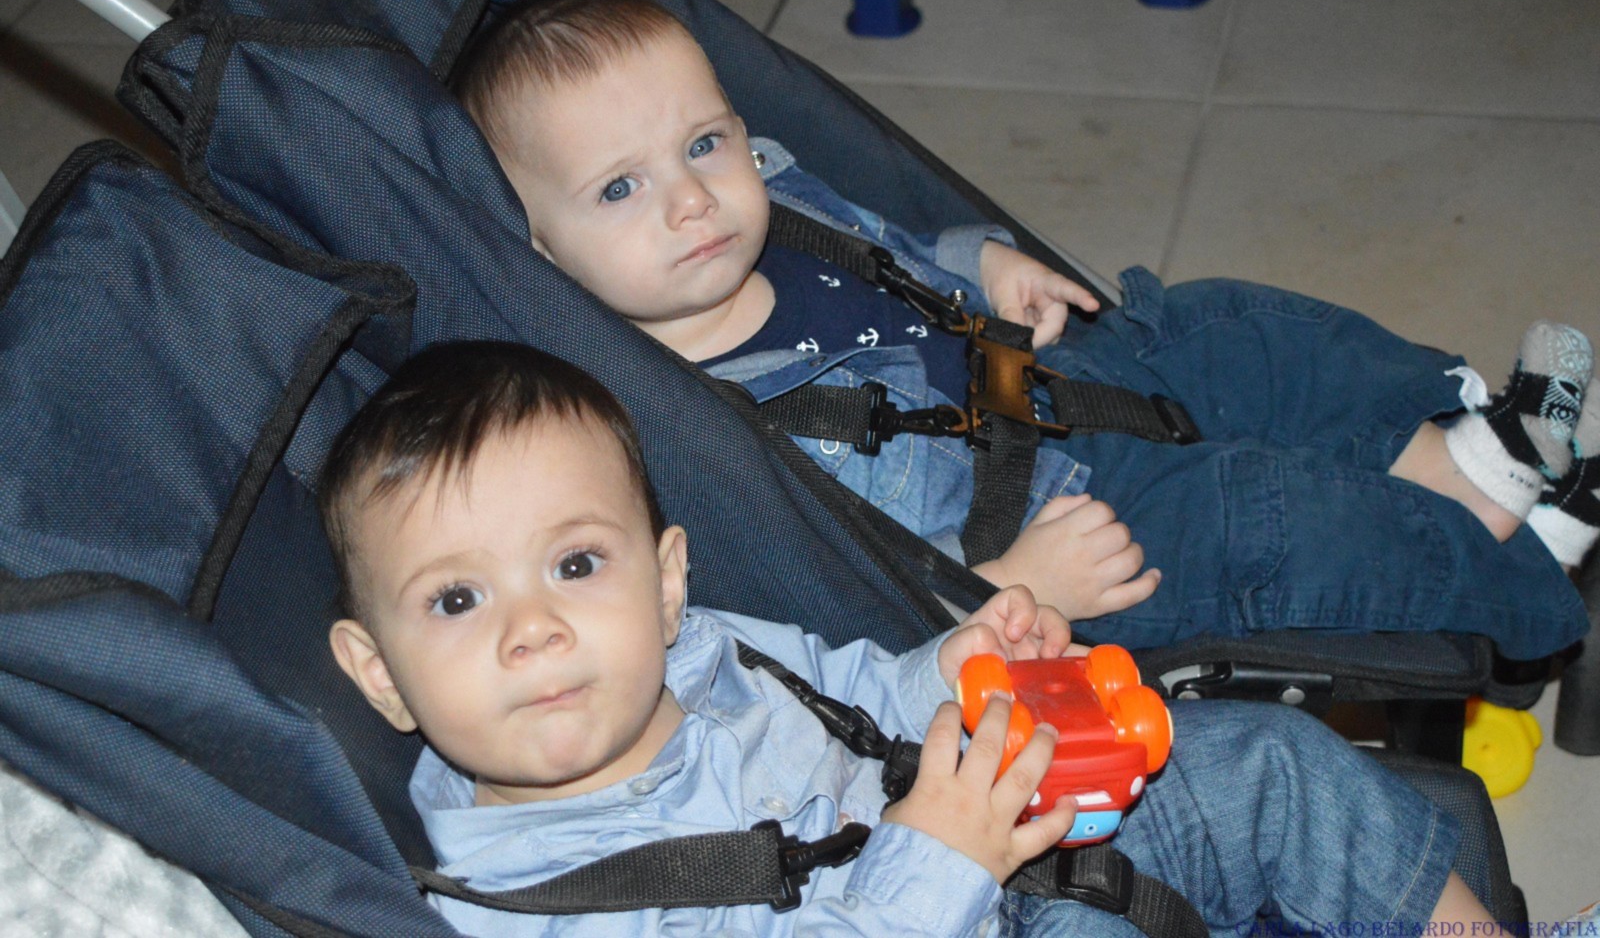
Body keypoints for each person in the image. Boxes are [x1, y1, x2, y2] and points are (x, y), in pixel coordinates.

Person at [450, 0, 1595, 659]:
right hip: (1054, 537)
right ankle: (1520, 572)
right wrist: (1009, 589)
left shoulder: (773, 195)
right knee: (1259, 514)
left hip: (1051, 374)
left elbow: (887, 242)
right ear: (539, 251)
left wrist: (980, 263)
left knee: (1231, 329)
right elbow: (838, 605)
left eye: (704, 143)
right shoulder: (675, 431)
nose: (692, 198)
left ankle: (1473, 462)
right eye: (620, 187)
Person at [320, 339, 1495, 936]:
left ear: (666, 583)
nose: (532, 628)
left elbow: (853, 693)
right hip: (941, 883)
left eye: (576, 564)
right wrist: (936, 860)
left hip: (988, 864)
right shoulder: (517, 900)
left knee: (1261, 763)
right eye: (456, 599)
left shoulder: (698, 650)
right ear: (380, 674)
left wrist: (955, 660)